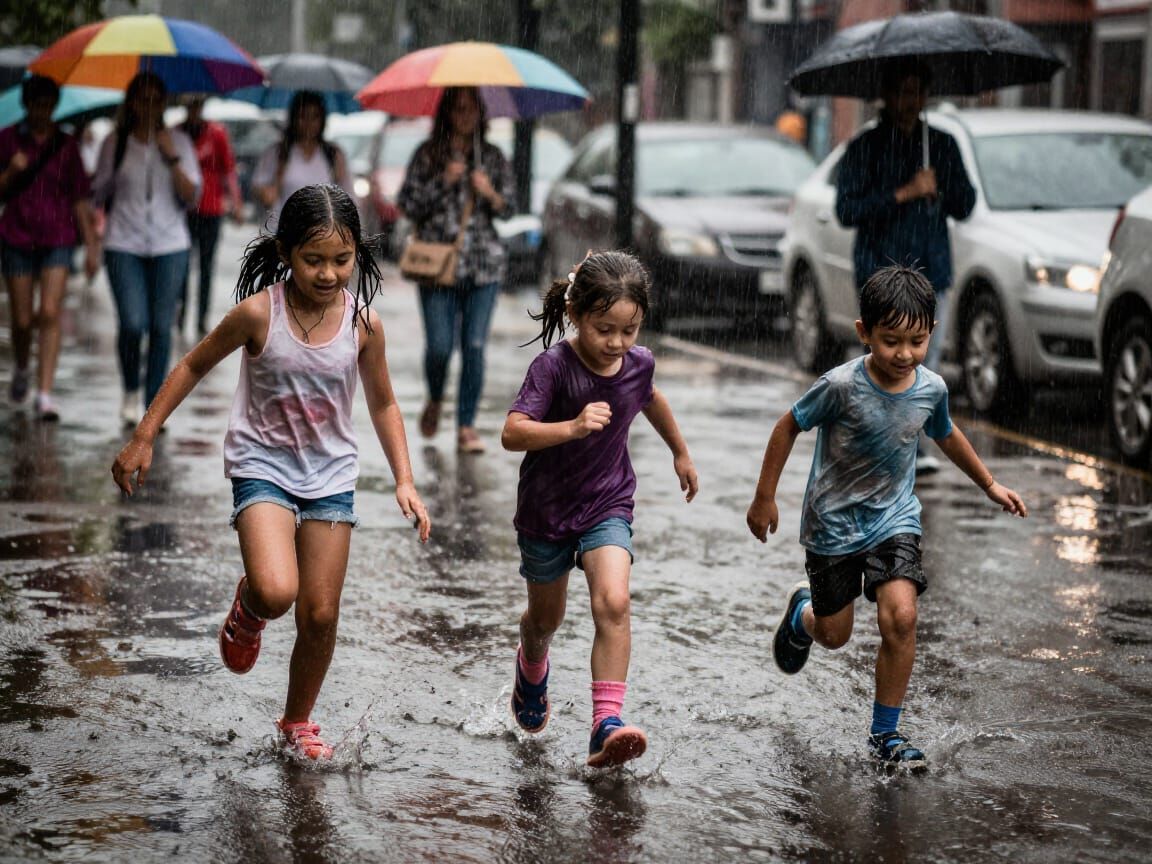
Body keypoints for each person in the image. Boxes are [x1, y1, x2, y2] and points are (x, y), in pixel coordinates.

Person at [110, 184, 432, 760]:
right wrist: (144, 435)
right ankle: (251, 605)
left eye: (341, 259)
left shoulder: (363, 323)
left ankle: (297, 720)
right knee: (278, 589)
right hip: (261, 465)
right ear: (285, 252)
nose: (329, 274)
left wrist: (404, 480)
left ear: (357, 251)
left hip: (331, 474)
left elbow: (383, 402)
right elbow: (192, 363)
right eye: (313, 260)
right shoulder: (260, 313)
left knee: (321, 611)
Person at [746, 265, 1027, 770]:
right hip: (832, 524)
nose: (904, 354)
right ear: (864, 333)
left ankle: (886, 735)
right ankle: (801, 615)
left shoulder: (931, 388)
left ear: (931, 334)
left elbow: (946, 435)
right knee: (835, 635)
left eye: (916, 341)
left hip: (894, 520)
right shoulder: (840, 386)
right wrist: (764, 497)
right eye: (890, 340)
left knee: (901, 616)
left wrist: (989, 484)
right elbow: (787, 426)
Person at [502, 250, 699, 768]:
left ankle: (604, 723)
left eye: (629, 330)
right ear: (576, 315)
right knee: (547, 619)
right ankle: (532, 665)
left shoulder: (638, 363)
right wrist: (570, 427)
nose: (616, 343)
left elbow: (650, 396)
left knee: (613, 602)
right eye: (603, 329)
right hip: (546, 512)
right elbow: (512, 432)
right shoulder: (552, 367)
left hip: (608, 503)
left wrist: (679, 451)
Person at [834, 62, 976, 475]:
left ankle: (916, 442)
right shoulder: (866, 147)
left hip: (932, 269)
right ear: (886, 95)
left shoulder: (943, 145)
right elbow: (847, 209)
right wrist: (902, 193)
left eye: (916, 92)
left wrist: (941, 187)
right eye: (901, 91)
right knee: (885, 361)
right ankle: (879, 442)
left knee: (922, 362)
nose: (909, 101)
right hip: (880, 273)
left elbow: (965, 204)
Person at [398, 86, 515, 454]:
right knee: (439, 347)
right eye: (458, 109)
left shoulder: (493, 157)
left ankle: (466, 425)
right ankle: (435, 397)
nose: (464, 116)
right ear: (446, 113)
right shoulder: (428, 155)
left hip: (484, 265)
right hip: (438, 265)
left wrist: (489, 193)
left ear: (481, 114)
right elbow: (407, 204)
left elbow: (510, 208)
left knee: (475, 346)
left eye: (471, 109)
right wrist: (443, 182)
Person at [92, 71, 202, 427]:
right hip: (123, 243)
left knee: (160, 326)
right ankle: (129, 389)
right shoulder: (115, 142)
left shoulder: (180, 142)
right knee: (132, 323)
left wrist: (170, 158)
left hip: (170, 245)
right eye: (143, 98)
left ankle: (155, 405)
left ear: (164, 103)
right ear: (132, 102)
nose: (150, 105)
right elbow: (98, 192)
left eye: (157, 98)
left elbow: (192, 196)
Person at [0, 74, 100, 421]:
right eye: (37, 104)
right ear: (27, 105)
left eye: (48, 105)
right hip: (16, 237)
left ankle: (44, 393)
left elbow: (79, 200)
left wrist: (90, 246)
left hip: (58, 238)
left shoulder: (66, 145)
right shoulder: (8, 140)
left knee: (50, 313)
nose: (43, 111)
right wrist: (10, 173)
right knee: (23, 319)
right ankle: (24, 367)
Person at [178, 95, 243, 337]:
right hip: (184, 210)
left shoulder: (217, 134)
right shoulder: (177, 134)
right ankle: (180, 312)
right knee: (182, 267)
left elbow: (228, 170)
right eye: (191, 105)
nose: (195, 110)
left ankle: (201, 318)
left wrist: (235, 202)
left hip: (210, 209)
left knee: (206, 266)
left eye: (198, 105)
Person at [251, 90, 350, 230]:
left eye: (314, 116)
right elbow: (266, 196)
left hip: (322, 234)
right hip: (282, 231)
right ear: (294, 118)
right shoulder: (277, 153)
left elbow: (347, 199)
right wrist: (279, 175)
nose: (308, 123)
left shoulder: (333, 155)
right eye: (303, 116)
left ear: (322, 119)